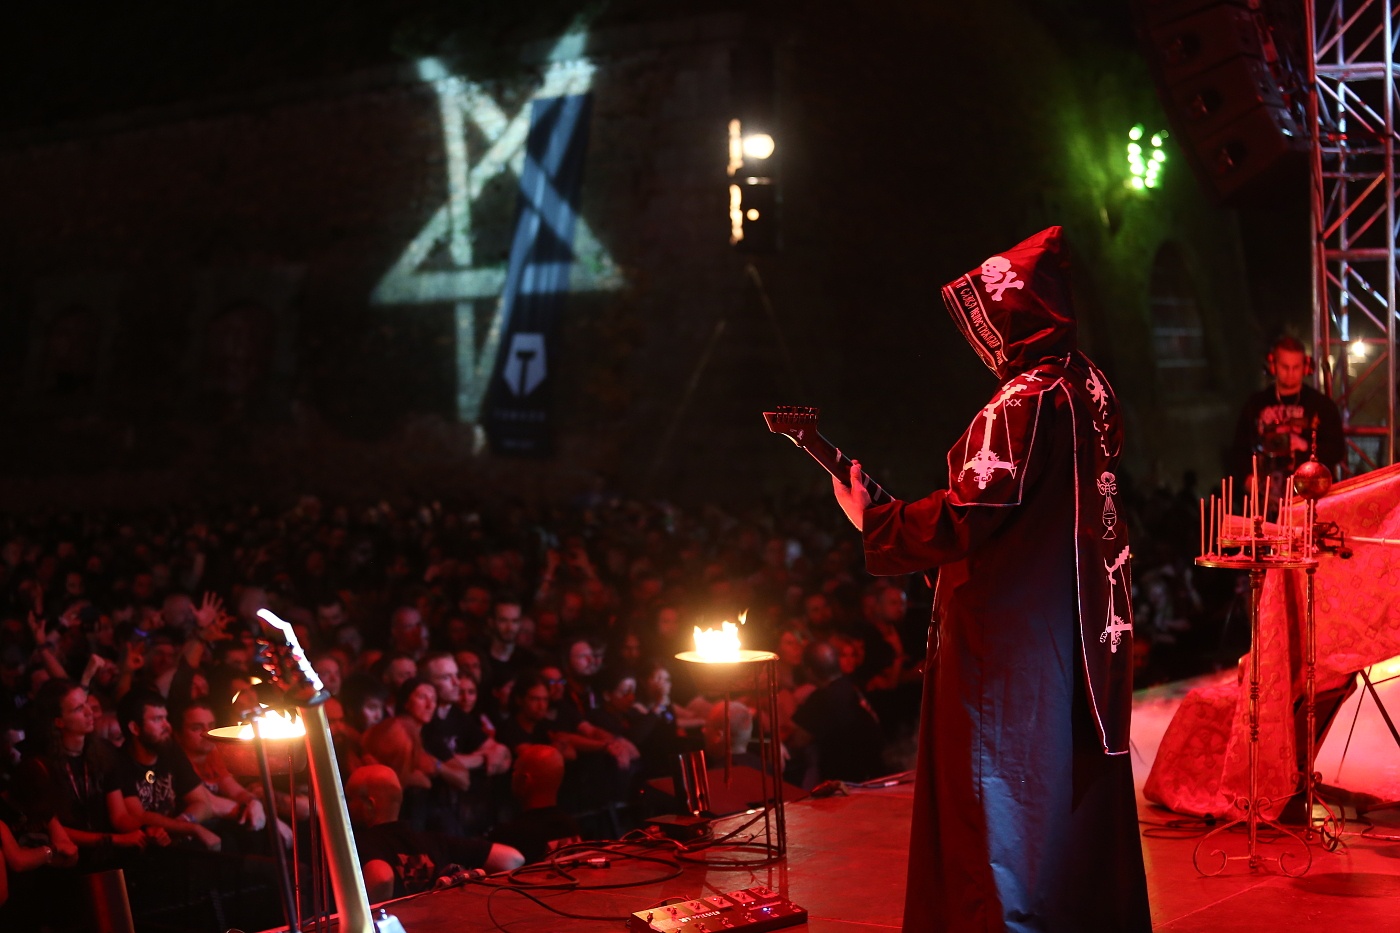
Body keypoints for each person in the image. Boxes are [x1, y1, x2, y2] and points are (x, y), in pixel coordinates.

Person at [830, 227, 1149, 932]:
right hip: (1082, 620)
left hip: (1008, 641)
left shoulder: (1024, 399)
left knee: (998, 791)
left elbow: (970, 512)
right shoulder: (1091, 386)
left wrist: (875, 520)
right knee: (1067, 783)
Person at [345, 764, 522, 901]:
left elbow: (381, 878)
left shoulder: (362, 844)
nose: (346, 806)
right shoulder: (434, 841)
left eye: (349, 798)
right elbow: (512, 858)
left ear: (370, 804)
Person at [1230, 335, 1345, 497]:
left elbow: (1337, 450)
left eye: (1296, 367)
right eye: (1285, 367)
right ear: (1273, 365)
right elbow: (1239, 448)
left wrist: (1304, 446)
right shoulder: (1255, 404)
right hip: (1266, 496)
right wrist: (1246, 478)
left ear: (1305, 367)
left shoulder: (1322, 406)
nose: (1290, 373)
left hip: (1310, 496)